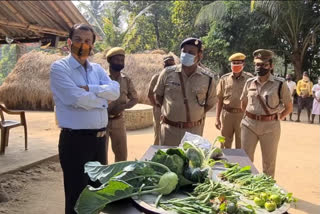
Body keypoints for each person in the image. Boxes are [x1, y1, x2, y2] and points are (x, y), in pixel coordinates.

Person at [50, 24, 120, 214]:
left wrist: (91, 89)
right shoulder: (59, 68)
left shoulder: (97, 69)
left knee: (96, 194)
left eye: (88, 41)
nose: (83, 44)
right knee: (77, 197)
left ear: (92, 45)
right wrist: (102, 100)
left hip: (99, 141)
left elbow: (115, 91)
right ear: (69, 42)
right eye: (79, 39)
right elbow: (75, 98)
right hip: (75, 142)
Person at [240, 49, 293, 178]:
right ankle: (244, 187)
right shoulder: (249, 82)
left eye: (264, 65)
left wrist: (277, 117)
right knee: (245, 160)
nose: (260, 67)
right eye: (258, 64)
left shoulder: (280, 84)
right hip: (249, 125)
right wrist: (250, 116)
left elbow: (289, 107)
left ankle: (267, 189)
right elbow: (243, 104)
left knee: (269, 162)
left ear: (271, 66)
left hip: (270, 127)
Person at [154, 37, 216, 146]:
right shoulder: (167, 73)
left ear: (199, 55)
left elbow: (209, 104)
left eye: (191, 52)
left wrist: (195, 114)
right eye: (184, 52)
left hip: (194, 132)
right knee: (167, 161)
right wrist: (172, 111)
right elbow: (158, 96)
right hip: (169, 131)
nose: (186, 54)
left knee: (191, 162)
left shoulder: (208, 79)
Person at [105, 47, 138, 162]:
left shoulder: (126, 80)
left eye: (122, 60)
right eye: (117, 60)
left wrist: (122, 107)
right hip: (101, 121)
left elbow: (134, 99)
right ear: (109, 60)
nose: (120, 63)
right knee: (100, 154)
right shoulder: (102, 78)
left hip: (119, 121)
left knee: (121, 155)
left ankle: (119, 178)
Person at [215, 53, 253, 149]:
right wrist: (217, 118)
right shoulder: (224, 79)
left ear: (243, 65)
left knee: (241, 143)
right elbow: (219, 99)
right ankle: (224, 162)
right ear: (230, 65)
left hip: (243, 115)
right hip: (227, 115)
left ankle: (239, 163)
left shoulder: (249, 79)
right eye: (234, 63)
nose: (236, 65)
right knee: (224, 143)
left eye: (238, 63)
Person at [148, 55, 175, 145]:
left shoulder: (177, 78)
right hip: (159, 109)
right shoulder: (156, 77)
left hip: (172, 109)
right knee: (158, 133)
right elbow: (150, 94)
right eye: (167, 63)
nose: (169, 65)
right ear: (163, 64)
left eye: (171, 63)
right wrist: (156, 105)